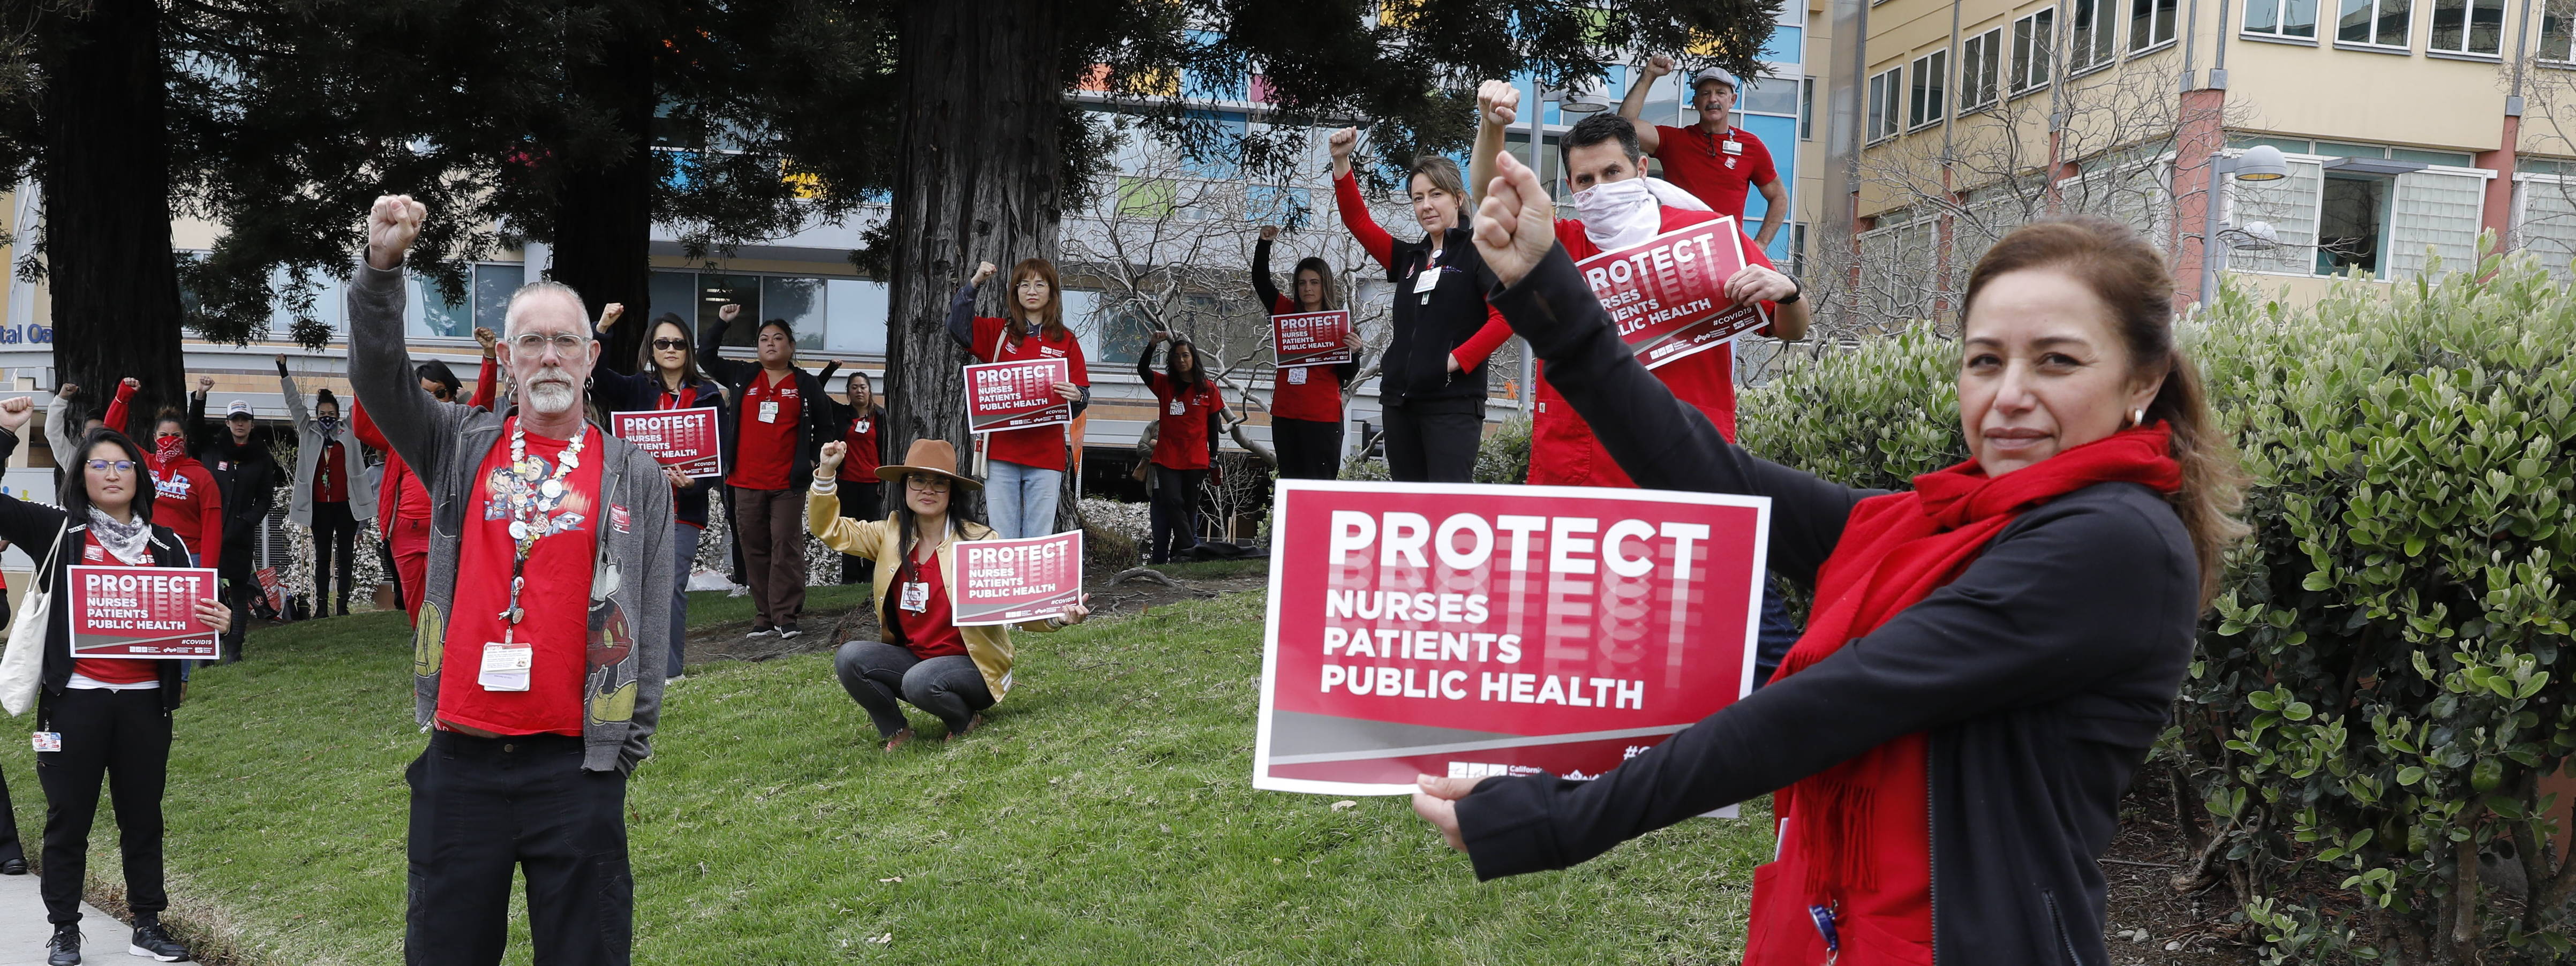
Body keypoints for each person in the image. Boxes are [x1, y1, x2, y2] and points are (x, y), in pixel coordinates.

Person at [1412, 155, 2246, 966]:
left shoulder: (2114, 543)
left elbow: (1829, 705)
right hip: (1839, 924)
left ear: (2142, 381)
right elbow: (1714, 477)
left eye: (2056, 360)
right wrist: (1545, 290)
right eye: (1984, 360)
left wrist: (1564, 816)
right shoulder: (1941, 522)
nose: (2010, 394)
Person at [347, 195, 671, 966]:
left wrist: (621, 751)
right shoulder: (459, 445)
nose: (550, 358)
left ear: (593, 356)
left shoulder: (634, 476)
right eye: (532, 343)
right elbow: (379, 376)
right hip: (461, 764)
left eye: (566, 342)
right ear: (509, 358)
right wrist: (381, 270)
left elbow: (653, 622)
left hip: (576, 767)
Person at [1470, 88, 1811, 685]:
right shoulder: (1565, 246)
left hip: (1689, 469)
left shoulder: (1706, 238)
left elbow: (1788, 327)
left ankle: (1801, 734)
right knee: (1576, 637)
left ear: (1642, 168)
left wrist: (1788, 292)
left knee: (1750, 634)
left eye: (1612, 172)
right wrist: (1489, 129)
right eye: (1584, 180)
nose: (1599, 188)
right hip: (1575, 472)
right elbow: (1488, 206)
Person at [0, 397, 230, 965]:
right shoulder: (59, 532)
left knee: (143, 815)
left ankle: (146, 924)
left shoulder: (168, 545)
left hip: (144, 707)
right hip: (73, 703)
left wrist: (215, 620)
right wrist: (6, 433)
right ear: (81, 476)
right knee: (67, 818)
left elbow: (190, 621)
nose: (110, 472)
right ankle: (63, 929)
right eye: (98, 464)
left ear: (139, 474)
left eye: (122, 464)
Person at [808, 438, 1088, 750]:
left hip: (974, 666)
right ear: (905, 487)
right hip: (917, 659)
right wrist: (827, 474)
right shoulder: (890, 533)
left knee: (920, 681)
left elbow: (1017, 606)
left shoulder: (980, 541)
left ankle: (965, 720)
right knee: (850, 658)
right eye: (918, 480)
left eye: (940, 483)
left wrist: (1060, 617)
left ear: (952, 492)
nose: (928, 490)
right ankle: (896, 730)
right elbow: (829, 529)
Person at [1327, 127, 1514, 483]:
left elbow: (1506, 317)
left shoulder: (1480, 250)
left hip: (1453, 406)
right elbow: (1358, 221)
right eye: (1417, 198)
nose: (1426, 205)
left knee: (1446, 511)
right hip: (1400, 405)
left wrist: (1454, 361)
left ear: (1458, 199)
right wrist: (1341, 161)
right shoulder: (1409, 258)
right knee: (1408, 510)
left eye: (1436, 195)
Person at [593, 306, 725, 680]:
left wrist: (696, 484)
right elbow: (595, 374)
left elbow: (720, 454)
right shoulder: (637, 387)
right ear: (651, 349)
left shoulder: (708, 394)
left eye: (679, 343)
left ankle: (670, 671)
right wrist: (602, 328)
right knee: (627, 587)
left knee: (670, 588)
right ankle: (626, 666)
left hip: (684, 509)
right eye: (662, 342)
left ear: (689, 350)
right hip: (636, 506)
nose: (671, 349)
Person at [699, 304, 833, 640]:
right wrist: (722, 323)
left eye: (778, 338)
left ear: (791, 346)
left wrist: (815, 459)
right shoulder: (743, 375)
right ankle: (765, 615)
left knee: (785, 546)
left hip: (788, 482)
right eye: (763, 339)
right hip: (745, 480)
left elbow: (827, 426)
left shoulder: (805, 384)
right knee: (754, 547)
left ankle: (787, 615)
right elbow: (706, 358)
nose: (770, 344)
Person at [945, 258, 1091, 539]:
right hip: (1002, 455)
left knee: (1039, 537)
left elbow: (1082, 394)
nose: (1032, 290)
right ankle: (1006, 585)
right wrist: (975, 283)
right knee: (1003, 536)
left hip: (1046, 456)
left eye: (1040, 284)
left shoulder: (1066, 340)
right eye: (1024, 285)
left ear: (1052, 292)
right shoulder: (999, 332)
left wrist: (1077, 396)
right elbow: (958, 328)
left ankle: (1035, 585)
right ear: (1015, 292)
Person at [352, 353, 495, 623]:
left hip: (445, 530)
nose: (431, 401)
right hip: (404, 533)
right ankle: (427, 657)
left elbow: (483, 406)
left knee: (447, 602)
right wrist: (362, 380)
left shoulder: (460, 429)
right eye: (422, 395)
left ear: (453, 395)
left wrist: (489, 359)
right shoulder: (401, 432)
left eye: (439, 393)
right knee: (415, 604)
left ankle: (448, 656)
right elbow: (363, 428)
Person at [1617, 56, 1788, 250]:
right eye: (1705, 94)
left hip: (1726, 250)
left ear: (1733, 100)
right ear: (1696, 102)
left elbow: (1779, 197)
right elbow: (1625, 127)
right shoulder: (1673, 140)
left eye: (1720, 93)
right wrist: (1649, 75)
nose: (1713, 99)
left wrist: (1760, 245)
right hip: (1677, 248)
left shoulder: (1752, 146)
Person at [1252, 225, 1362, 480]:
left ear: (1326, 285)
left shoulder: (1340, 324)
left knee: (1318, 490)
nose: (1307, 288)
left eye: (1314, 282)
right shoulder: (1284, 311)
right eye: (1302, 283)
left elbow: (1347, 374)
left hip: (1322, 419)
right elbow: (1261, 281)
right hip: (1285, 416)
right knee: (1291, 485)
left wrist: (1354, 352)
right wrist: (1264, 244)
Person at [278, 359, 376, 617]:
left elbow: (363, 403)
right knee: (322, 557)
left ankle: (342, 605)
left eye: (331, 414)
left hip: (346, 505)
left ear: (338, 414)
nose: (327, 419)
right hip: (319, 507)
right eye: (322, 414)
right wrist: (284, 372)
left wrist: (363, 371)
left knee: (345, 556)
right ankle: (320, 606)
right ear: (316, 414)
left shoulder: (349, 430)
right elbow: (294, 404)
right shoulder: (308, 431)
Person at [190, 388, 281, 660]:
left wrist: (248, 520)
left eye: (245, 419)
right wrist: (200, 398)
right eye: (234, 419)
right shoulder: (212, 448)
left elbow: (266, 497)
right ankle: (207, 650)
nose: (239, 424)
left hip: (240, 534)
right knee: (207, 590)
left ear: (252, 423)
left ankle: (234, 650)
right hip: (208, 530)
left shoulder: (262, 457)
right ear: (227, 422)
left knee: (239, 591)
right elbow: (193, 430)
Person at [100, 381, 225, 572]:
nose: (169, 440)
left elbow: (212, 529)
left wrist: (208, 573)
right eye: (164, 435)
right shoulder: (143, 463)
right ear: (155, 438)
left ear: (184, 438)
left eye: (176, 435)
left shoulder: (201, 475)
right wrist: (123, 396)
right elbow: (111, 433)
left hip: (190, 557)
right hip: (148, 553)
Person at [1135, 332, 1224, 564]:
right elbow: (1142, 371)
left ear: (1194, 358)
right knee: (1173, 501)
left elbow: (1214, 427)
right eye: (1176, 357)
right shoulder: (1165, 385)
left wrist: (1213, 458)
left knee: (1189, 507)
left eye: (1186, 355)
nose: (1181, 360)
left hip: (1196, 460)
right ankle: (1191, 547)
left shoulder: (1209, 390)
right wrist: (1152, 345)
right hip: (1167, 458)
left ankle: (1180, 555)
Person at [812, 363, 888, 586]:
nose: (859, 391)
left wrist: (884, 481)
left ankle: (870, 576)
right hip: (847, 482)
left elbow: (886, 449)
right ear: (848, 393)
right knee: (848, 529)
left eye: (863, 387)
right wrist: (830, 369)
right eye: (854, 387)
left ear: (870, 391)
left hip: (873, 482)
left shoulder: (882, 417)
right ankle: (850, 577)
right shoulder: (841, 413)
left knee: (872, 530)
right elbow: (817, 389)